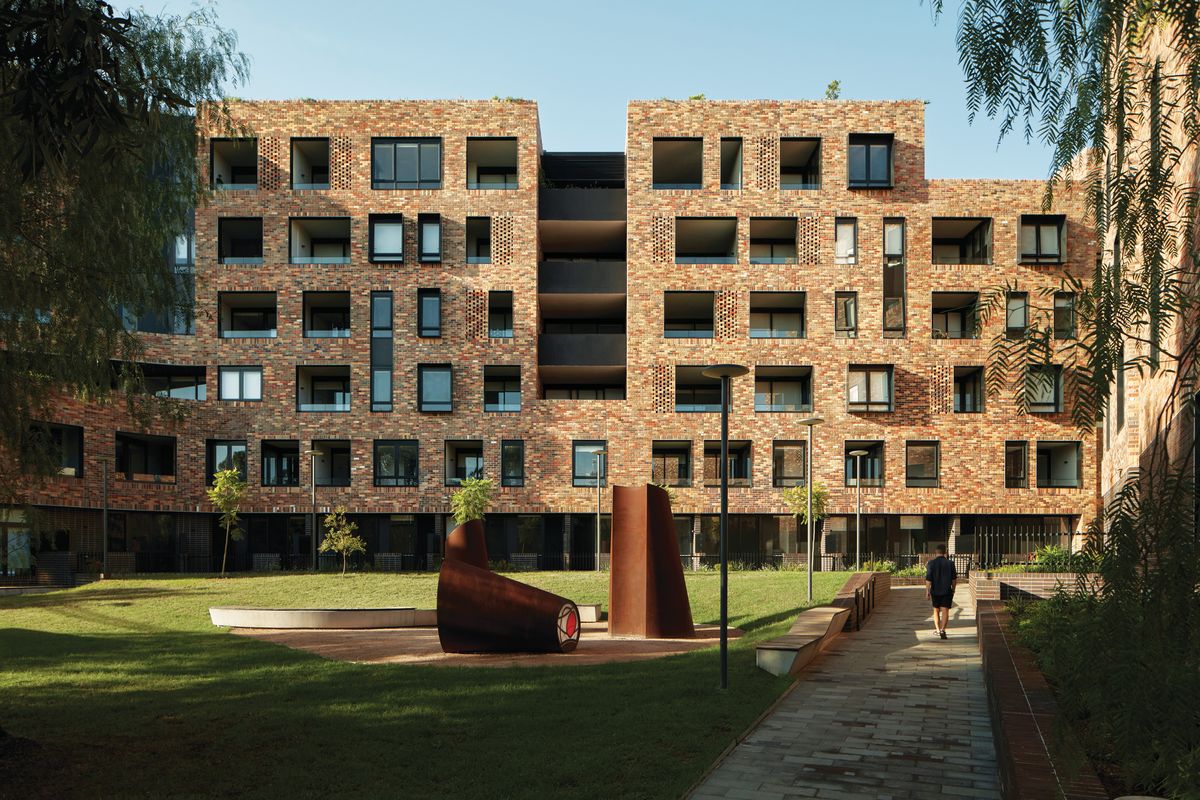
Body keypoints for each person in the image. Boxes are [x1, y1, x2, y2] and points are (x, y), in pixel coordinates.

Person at [924, 545, 957, 639]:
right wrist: (953, 589)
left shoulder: (931, 563)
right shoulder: (950, 563)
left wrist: (927, 591)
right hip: (947, 591)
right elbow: (954, 579)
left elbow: (928, 579)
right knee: (945, 610)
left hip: (935, 591)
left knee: (936, 610)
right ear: (945, 552)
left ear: (936, 552)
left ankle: (938, 630)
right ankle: (943, 629)